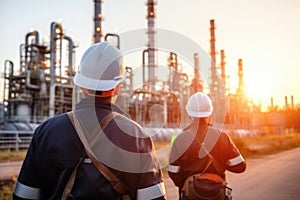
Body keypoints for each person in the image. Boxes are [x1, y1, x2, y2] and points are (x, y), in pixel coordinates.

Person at [13, 41, 167, 200]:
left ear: (82, 85)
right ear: (117, 87)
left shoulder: (45, 132)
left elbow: (24, 196)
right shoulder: (137, 137)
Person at [168, 92, 246, 200]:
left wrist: (187, 184)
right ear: (210, 113)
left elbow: (173, 171)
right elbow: (240, 166)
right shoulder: (222, 137)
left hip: (190, 195)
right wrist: (222, 162)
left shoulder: (180, 139)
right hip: (217, 194)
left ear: (189, 113)